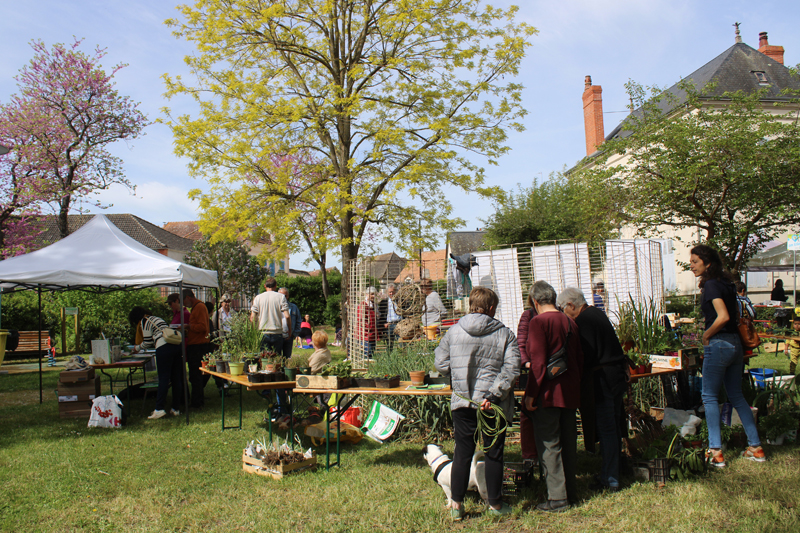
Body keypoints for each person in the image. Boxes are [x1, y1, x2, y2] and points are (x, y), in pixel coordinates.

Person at [434, 287, 520, 520]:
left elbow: (440, 363)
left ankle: (456, 506)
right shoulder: (505, 334)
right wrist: (494, 394)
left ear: (471, 304)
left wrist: (458, 376)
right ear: (491, 308)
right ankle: (495, 505)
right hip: (492, 404)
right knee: (494, 453)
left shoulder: (453, 331)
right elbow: (512, 368)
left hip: (462, 401)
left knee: (462, 453)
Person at [689, 244, 765, 466]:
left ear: (708, 263)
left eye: (695, 261)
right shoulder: (727, 284)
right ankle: (756, 447)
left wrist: (706, 335)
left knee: (709, 397)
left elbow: (721, 317)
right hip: (735, 345)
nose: (691, 265)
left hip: (719, 343)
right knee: (736, 395)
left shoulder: (712, 285)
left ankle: (715, 452)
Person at [557, 287, 629, 492]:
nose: (563, 313)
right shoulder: (597, 313)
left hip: (603, 379)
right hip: (614, 376)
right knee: (613, 427)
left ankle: (611, 479)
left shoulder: (584, 321)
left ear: (571, 305)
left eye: (563, 308)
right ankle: (610, 472)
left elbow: (586, 355)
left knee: (607, 430)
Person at [524, 280, 583, 512]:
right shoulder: (569, 320)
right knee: (569, 442)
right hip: (569, 392)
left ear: (535, 301)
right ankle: (571, 492)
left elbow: (537, 363)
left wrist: (531, 394)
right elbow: (578, 358)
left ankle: (557, 498)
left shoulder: (538, 322)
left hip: (547, 393)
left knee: (549, 444)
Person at [128, 306, 183, 419]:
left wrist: (136, 348)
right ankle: (175, 408)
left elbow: (147, 342)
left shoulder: (145, 321)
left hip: (164, 348)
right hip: (176, 346)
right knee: (176, 378)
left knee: (163, 378)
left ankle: (159, 409)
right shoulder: (156, 318)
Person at [179, 289, 215, 409]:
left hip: (198, 346)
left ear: (188, 298)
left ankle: (197, 402)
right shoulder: (196, 307)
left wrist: (189, 326)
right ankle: (197, 400)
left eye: (184, 301)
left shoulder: (199, 307)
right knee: (195, 376)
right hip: (196, 345)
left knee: (196, 376)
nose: (184, 305)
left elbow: (202, 327)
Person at [516, 292, 539, 464]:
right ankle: (530, 456)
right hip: (533, 371)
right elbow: (521, 342)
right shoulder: (528, 316)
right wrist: (526, 363)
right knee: (527, 413)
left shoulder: (557, 314)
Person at [250, 277, 291, 356]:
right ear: (275, 286)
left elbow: (252, 318)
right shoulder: (281, 297)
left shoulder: (258, 298)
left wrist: (254, 332)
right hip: (277, 332)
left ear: (265, 286)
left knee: (264, 358)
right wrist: (289, 330)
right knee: (277, 358)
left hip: (263, 332)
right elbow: (287, 316)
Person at [279, 287, 301, 359]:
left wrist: (294, 334)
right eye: (281, 295)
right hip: (277, 335)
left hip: (289, 336)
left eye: (285, 295)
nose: (283, 297)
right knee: (276, 357)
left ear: (288, 296)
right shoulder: (275, 306)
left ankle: (286, 369)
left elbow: (298, 321)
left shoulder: (293, 307)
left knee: (287, 357)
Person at [355, 287, 378, 358]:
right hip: (365, 334)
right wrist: (367, 327)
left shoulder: (374, 305)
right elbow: (360, 320)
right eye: (372, 294)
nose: (373, 296)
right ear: (367, 294)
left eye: (374, 294)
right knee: (367, 354)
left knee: (371, 353)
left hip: (372, 334)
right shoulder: (363, 305)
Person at [380, 283, 402, 352]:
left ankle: (403, 355)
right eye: (390, 292)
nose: (391, 293)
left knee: (401, 342)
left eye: (393, 291)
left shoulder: (400, 301)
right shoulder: (384, 302)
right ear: (387, 292)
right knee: (389, 343)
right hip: (389, 325)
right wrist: (384, 323)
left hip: (399, 324)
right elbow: (381, 315)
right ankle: (389, 357)